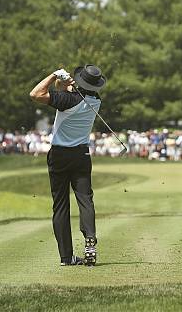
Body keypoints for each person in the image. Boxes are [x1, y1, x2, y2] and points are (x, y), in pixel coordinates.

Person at [29, 65, 106, 267]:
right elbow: (62, 90)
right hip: (81, 154)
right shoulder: (95, 101)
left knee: (61, 205)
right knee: (85, 199)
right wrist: (64, 82)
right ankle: (90, 237)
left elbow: (36, 94)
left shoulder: (67, 100)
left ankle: (66, 257)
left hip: (60, 155)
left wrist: (54, 74)